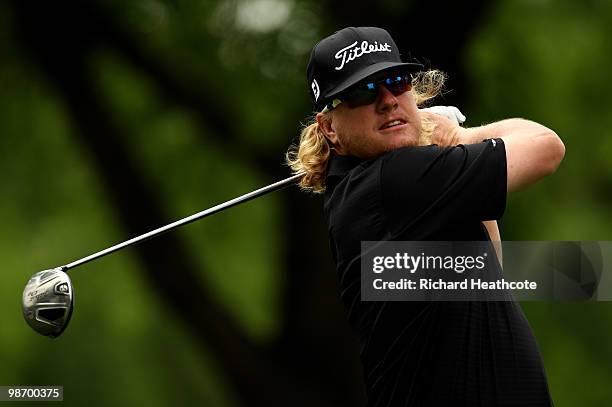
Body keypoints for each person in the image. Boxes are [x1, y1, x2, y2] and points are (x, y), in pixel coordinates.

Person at [286, 27, 565, 406]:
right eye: (362, 92)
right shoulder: (393, 181)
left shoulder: (371, 193)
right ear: (330, 128)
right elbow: (545, 147)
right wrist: (463, 138)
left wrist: (440, 146)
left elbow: (488, 275)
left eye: (396, 82)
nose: (386, 100)